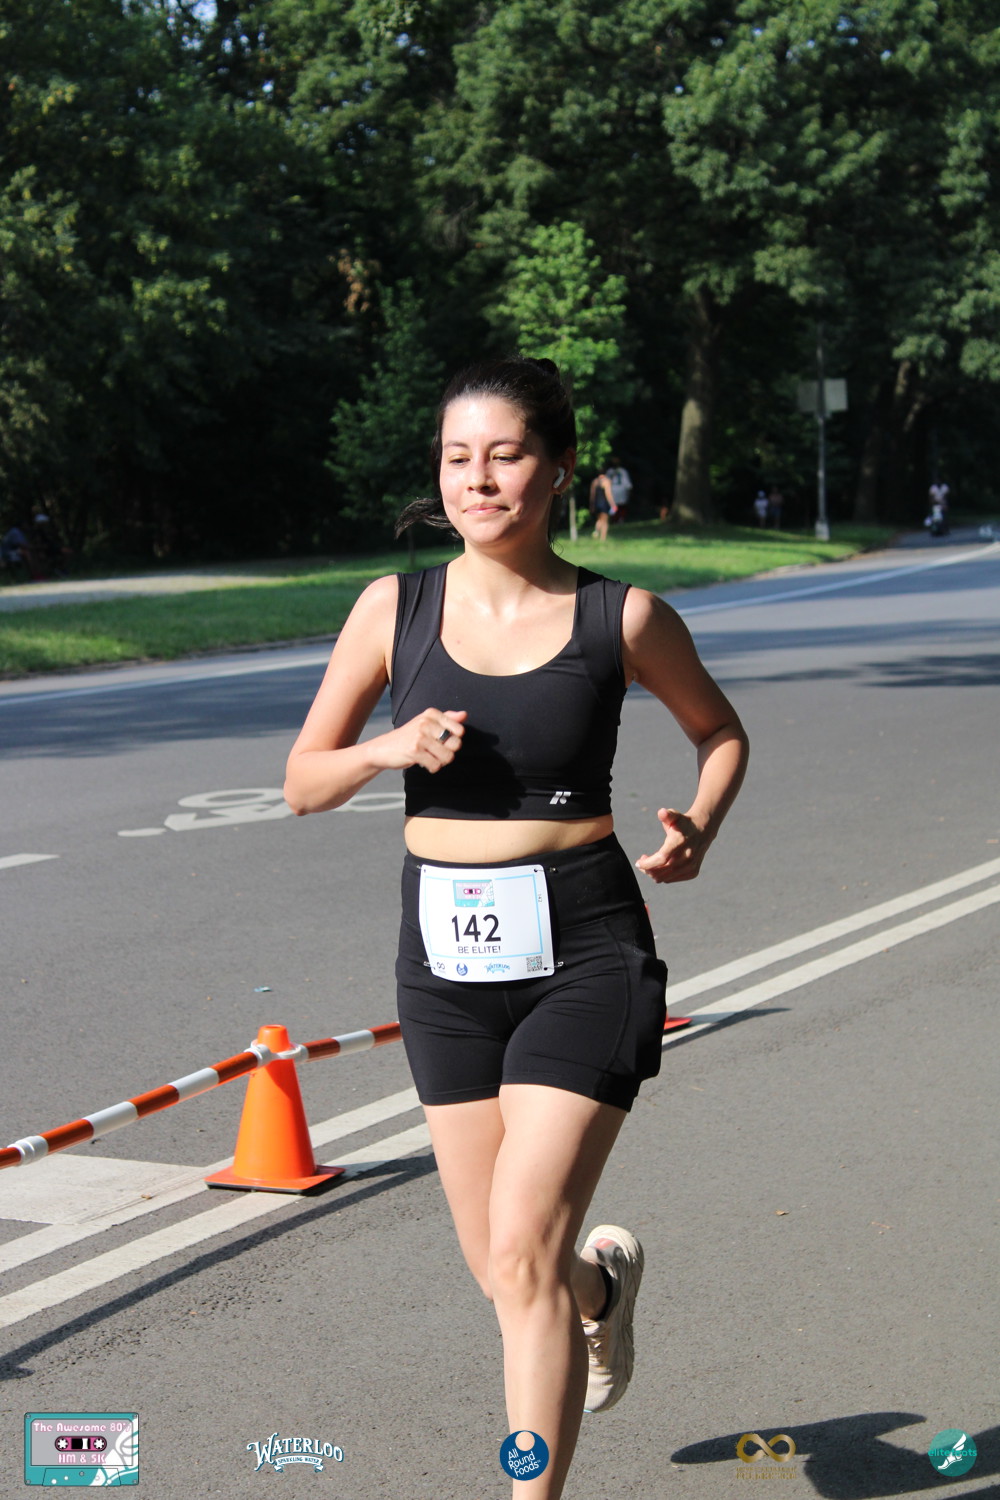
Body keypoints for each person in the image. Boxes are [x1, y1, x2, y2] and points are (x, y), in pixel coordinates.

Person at [284, 356, 748, 1500]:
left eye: (504, 455)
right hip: (443, 966)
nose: (477, 480)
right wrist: (387, 750)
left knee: (520, 1246)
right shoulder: (393, 610)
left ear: (559, 469)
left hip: (584, 949)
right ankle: (601, 1290)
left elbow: (719, 731)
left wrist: (698, 823)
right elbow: (301, 782)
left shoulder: (620, 616)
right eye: (457, 458)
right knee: (504, 1267)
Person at [588, 468, 615, 540]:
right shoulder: (607, 481)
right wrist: (613, 504)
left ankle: (596, 532)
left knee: (599, 519)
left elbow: (592, 495)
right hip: (604, 503)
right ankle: (603, 538)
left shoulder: (594, 481)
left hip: (596, 503)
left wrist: (591, 505)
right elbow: (608, 494)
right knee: (605, 521)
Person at [605, 457, 632, 523]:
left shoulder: (622, 471)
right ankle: (614, 519)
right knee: (614, 506)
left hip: (620, 491)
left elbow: (627, 483)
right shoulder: (610, 471)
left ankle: (620, 518)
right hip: (613, 491)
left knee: (620, 506)